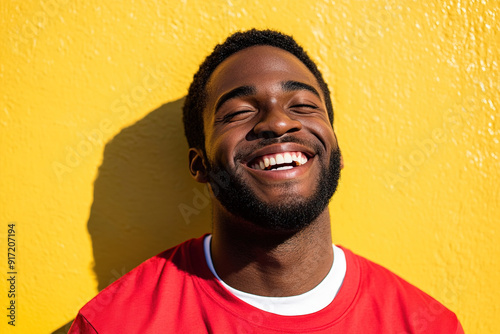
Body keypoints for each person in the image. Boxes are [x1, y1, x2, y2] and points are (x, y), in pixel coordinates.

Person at [69, 29, 463, 333]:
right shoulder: (114, 324)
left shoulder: (426, 325)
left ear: (337, 152)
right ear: (199, 164)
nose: (278, 122)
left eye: (304, 106)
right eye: (239, 111)